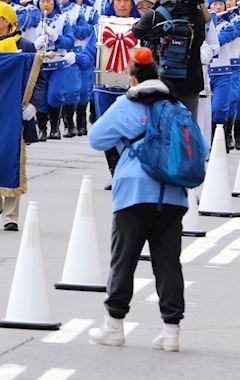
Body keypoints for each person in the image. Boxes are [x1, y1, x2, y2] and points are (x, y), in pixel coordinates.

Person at [86, 48, 188, 352]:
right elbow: (200, 145)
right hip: (172, 193)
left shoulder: (125, 104)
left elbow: (96, 138)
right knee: (168, 264)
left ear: (132, 78)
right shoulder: (175, 105)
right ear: (157, 76)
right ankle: (171, 332)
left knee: (124, 260)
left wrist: (126, 140)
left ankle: (114, 326)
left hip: (133, 191)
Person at [0, 1, 39, 232]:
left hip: (17, 112)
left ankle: (11, 216)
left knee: (14, 160)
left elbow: (39, 77)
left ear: (7, 22)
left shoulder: (27, 46)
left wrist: (33, 104)